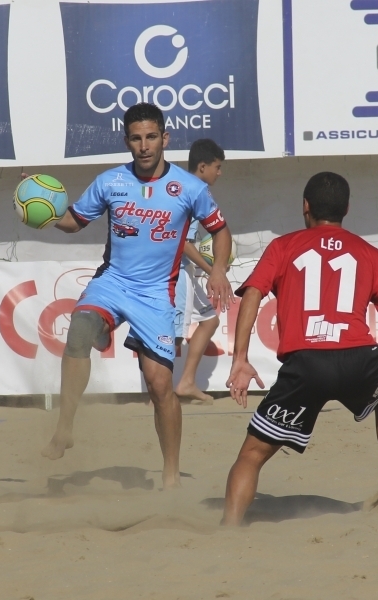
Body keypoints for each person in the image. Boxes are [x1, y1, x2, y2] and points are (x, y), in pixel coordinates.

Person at [222, 171, 378, 526]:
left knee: (252, 455)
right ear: (347, 208)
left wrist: (240, 358)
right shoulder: (370, 253)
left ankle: (230, 527)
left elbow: (252, 295)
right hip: (358, 359)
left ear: (305, 207)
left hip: (306, 364)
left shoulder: (283, 246)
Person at [41, 103, 234, 491]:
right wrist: (41, 210)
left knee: (160, 385)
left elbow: (221, 231)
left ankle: (171, 474)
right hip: (113, 282)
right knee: (78, 330)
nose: (144, 146)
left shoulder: (190, 188)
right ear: (126, 141)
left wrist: (217, 269)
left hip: (156, 294)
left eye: (150, 137)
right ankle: (64, 427)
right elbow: (74, 222)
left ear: (165, 138)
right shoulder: (110, 181)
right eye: (135, 138)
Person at [173, 139, 226, 403]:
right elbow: (182, 243)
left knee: (210, 320)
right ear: (202, 166)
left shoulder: (184, 187)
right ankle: (160, 392)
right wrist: (212, 269)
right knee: (173, 336)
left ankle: (186, 382)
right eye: (217, 166)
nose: (220, 172)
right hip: (175, 272)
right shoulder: (193, 191)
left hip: (183, 270)